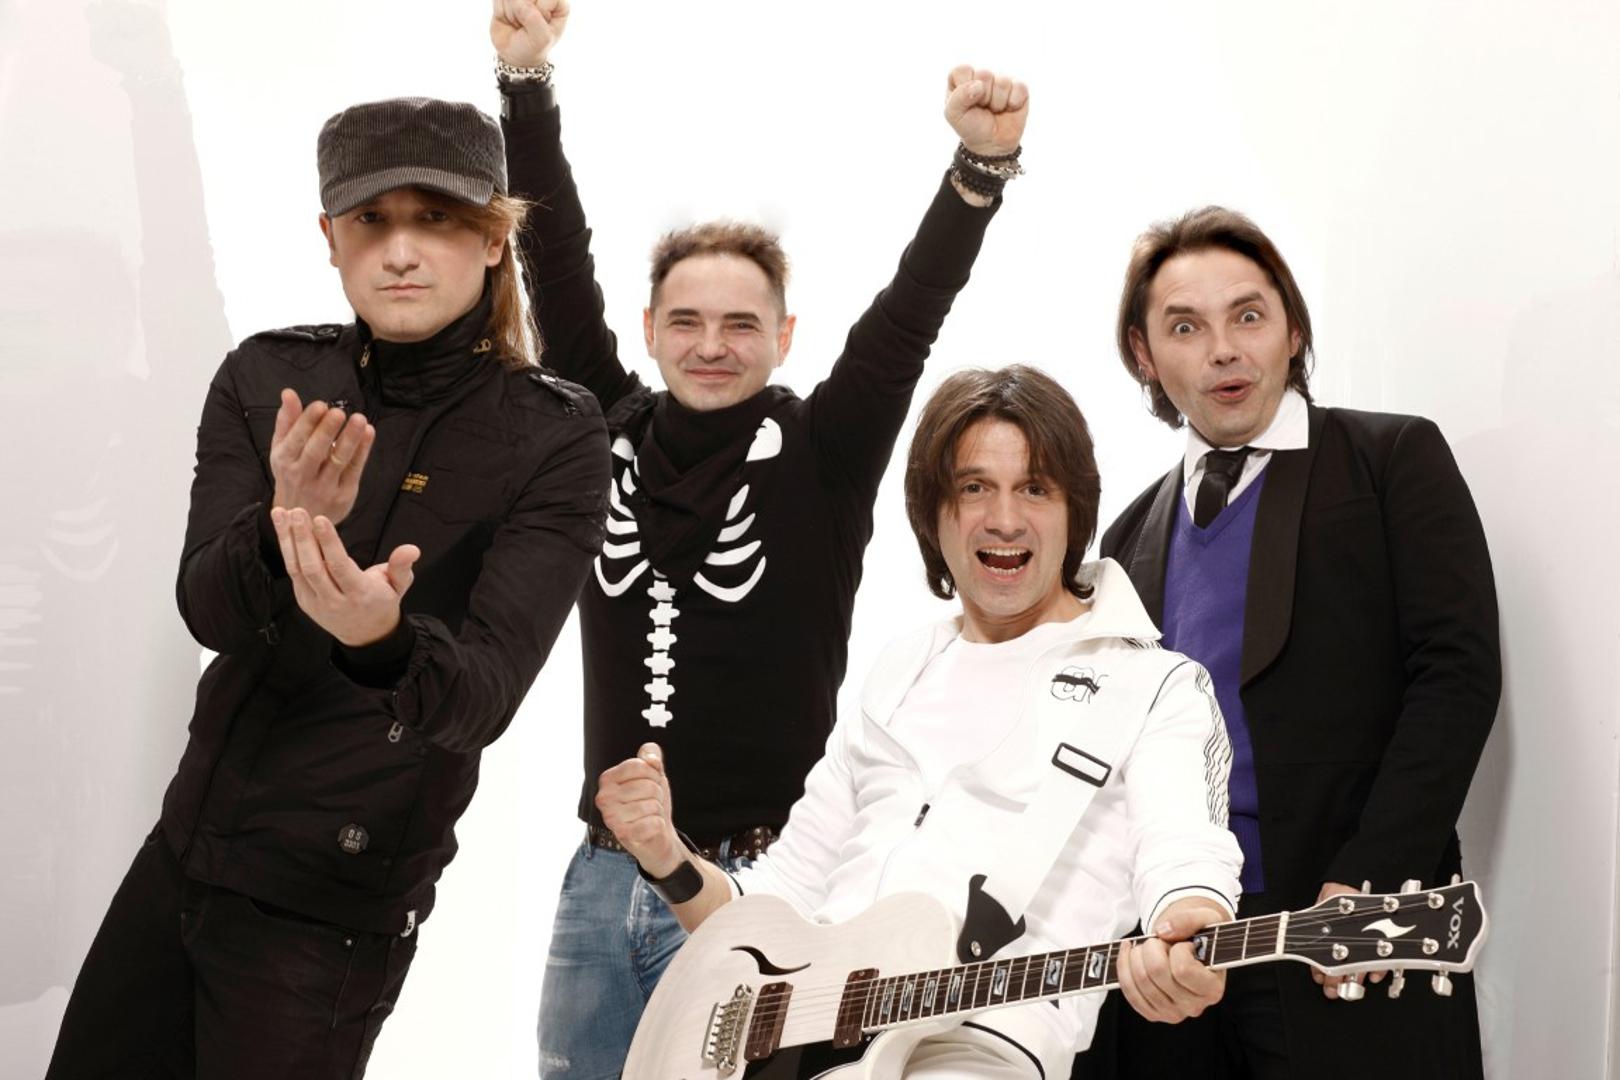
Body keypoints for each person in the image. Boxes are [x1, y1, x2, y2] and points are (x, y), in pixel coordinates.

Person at [487, 3, 1032, 1073]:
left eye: (742, 324)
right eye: (686, 322)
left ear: (783, 337)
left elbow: (908, 317)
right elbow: (554, 264)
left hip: (765, 885)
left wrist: (977, 171)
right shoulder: (603, 426)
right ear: (650, 332)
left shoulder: (824, 453)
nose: (713, 345)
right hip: (602, 877)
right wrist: (524, 84)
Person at [44, 96, 610, 1079]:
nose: (401, 250)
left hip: (326, 917)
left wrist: (381, 638)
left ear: (493, 239)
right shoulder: (267, 375)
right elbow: (207, 612)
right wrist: (282, 527)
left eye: (436, 218)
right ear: (330, 239)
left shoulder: (553, 434)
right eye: (371, 220)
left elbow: (481, 702)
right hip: (180, 860)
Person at [598, 365, 1243, 1078]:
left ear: (1074, 511)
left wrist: (1193, 925)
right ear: (934, 514)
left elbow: (1186, 854)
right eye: (974, 488)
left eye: (1035, 488)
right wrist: (667, 857)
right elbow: (776, 899)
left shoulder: (1153, 687)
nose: (1004, 519)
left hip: (975, 1050)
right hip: (797, 1046)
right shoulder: (902, 669)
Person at [1079, 207, 1499, 1079]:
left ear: (1292, 329)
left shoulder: (1390, 460)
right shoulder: (1123, 540)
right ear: (1144, 355)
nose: (1223, 350)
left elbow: (1456, 675)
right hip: (1180, 963)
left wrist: (1372, 873)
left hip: (1345, 935)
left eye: (1249, 315)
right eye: (1185, 328)